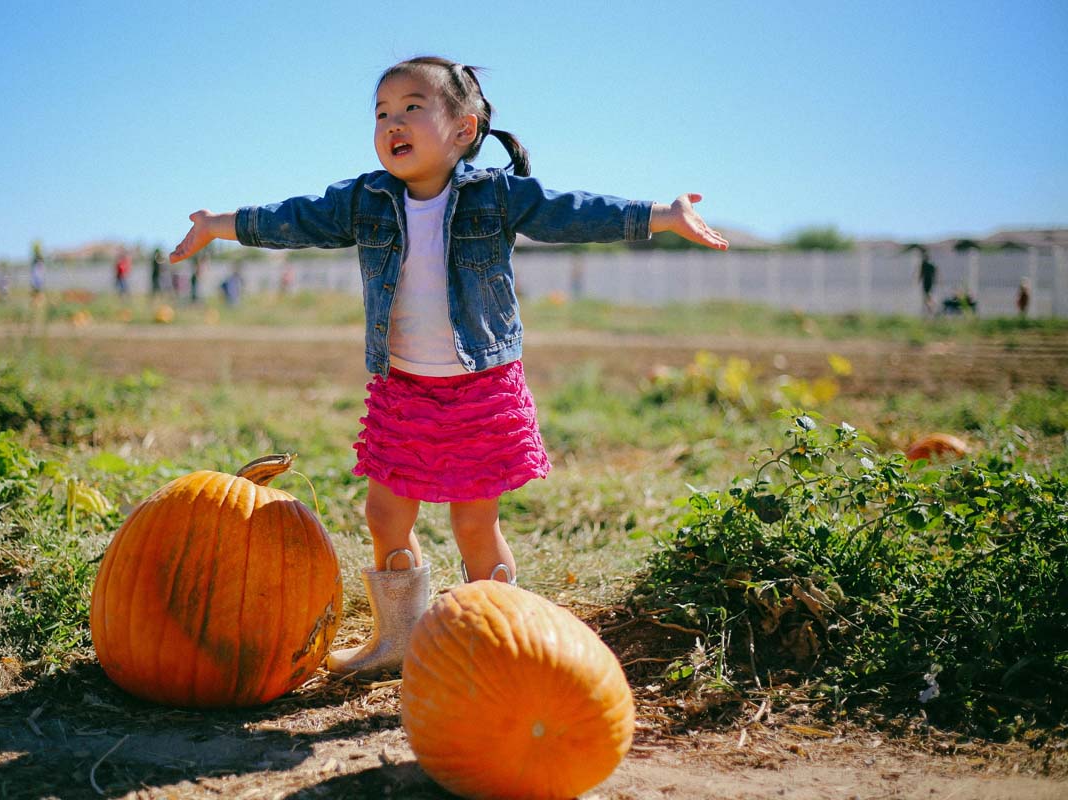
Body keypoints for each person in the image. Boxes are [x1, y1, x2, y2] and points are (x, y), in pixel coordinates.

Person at [169, 55, 728, 676]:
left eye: (411, 108)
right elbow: (296, 218)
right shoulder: (366, 199)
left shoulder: (495, 196)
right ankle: (400, 638)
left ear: (463, 130)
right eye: (381, 113)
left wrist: (662, 215)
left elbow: (573, 211)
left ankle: (498, 641)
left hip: (482, 385)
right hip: (404, 386)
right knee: (383, 514)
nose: (392, 123)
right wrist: (221, 225)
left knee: (474, 523)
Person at [917, 247, 937, 315]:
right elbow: (934, 274)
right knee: (928, 295)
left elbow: (921, 273)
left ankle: (930, 307)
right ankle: (930, 307)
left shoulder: (925, 265)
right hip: (929, 282)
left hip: (926, 282)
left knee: (927, 295)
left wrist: (918, 280)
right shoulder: (930, 265)